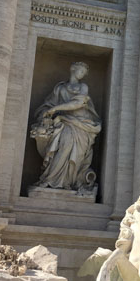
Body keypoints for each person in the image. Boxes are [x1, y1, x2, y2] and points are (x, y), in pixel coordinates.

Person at [30, 62, 101, 193]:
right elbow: (48, 104)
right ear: (73, 69)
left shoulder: (83, 86)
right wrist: (46, 113)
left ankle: (69, 182)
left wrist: (56, 108)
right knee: (64, 147)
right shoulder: (60, 88)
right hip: (64, 123)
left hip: (82, 125)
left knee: (77, 155)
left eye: (84, 73)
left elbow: (78, 103)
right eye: (81, 71)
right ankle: (51, 180)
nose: (82, 74)